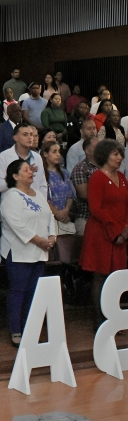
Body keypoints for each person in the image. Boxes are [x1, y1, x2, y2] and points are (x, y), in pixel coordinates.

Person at [0, 159, 56, 346]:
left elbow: (49, 216)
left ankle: (30, 329)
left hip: (39, 252)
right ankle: (16, 330)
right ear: (15, 176)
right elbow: (17, 224)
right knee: (18, 292)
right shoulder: (11, 196)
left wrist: (52, 236)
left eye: (30, 169)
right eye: (25, 170)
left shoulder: (38, 194)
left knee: (33, 293)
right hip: (19, 253)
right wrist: (39, 240)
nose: (31, 172)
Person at [78, 140, 128, 327]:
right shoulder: (97, 177)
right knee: (101, 275)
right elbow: (96, 209)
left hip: (121, 232)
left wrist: (125, 229)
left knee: (116, 276)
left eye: (120, 154)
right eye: (115, 154)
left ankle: (114, 317)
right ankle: (100, 320)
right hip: (101, 233)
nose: (119, 158)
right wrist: (117, 229)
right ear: (105, 156)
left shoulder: (121, 177)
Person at [0, 122, 47, 197]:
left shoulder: (37, 157)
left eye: (31, 134)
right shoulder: (4, 156)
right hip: (13, 201)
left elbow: (43, 185)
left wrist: (42, 201)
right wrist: (18, 178)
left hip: (34, 200)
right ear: (15, 137)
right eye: (25, 134)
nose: (30, 137)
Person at [42, 141, 75, 236]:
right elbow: (42, 197)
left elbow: (70, 194)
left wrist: (66, 210)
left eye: (59, 151)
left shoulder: (64, 173)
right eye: (54, 152)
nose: (58, 155)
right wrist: (56, 213)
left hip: (65, 217)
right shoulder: (41, 174)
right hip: (48, 219)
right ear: (45, 154)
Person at [71, 137, 99, 236]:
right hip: (86, 217)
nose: (101, 148)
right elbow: (84, 194)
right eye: (97, 146)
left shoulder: (105, 166)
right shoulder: (80, 168)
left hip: (105, 215)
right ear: (87, 150)